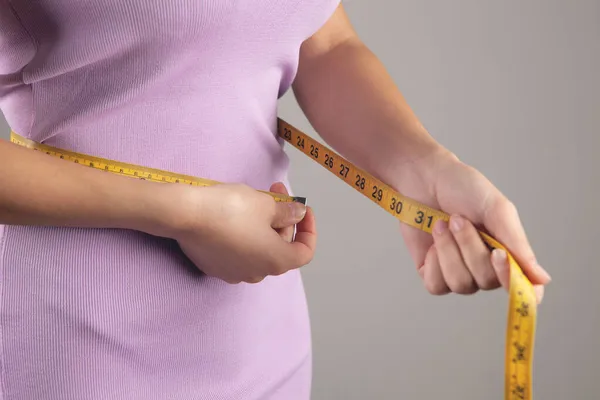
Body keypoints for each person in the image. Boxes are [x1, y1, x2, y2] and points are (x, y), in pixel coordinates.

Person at [0, 1, 551, 399]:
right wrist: (185, 212)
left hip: (265, 349)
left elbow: (324, 39)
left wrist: (425, 168)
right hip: (76, 348)